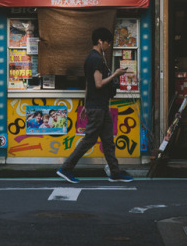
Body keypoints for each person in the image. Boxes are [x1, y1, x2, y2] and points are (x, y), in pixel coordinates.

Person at [56, 27, 134, 184]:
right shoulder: (96, 59)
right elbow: (98, 84)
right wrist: (115, 75)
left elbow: (88, 84)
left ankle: (115, 172)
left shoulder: (93, 58)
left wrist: (86, 104)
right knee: (89, 140)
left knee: (107, 140)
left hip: (99, 105)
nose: (109, 45)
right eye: (108, 42)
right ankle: (66, 168)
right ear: (100, 41)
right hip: (98, 107)